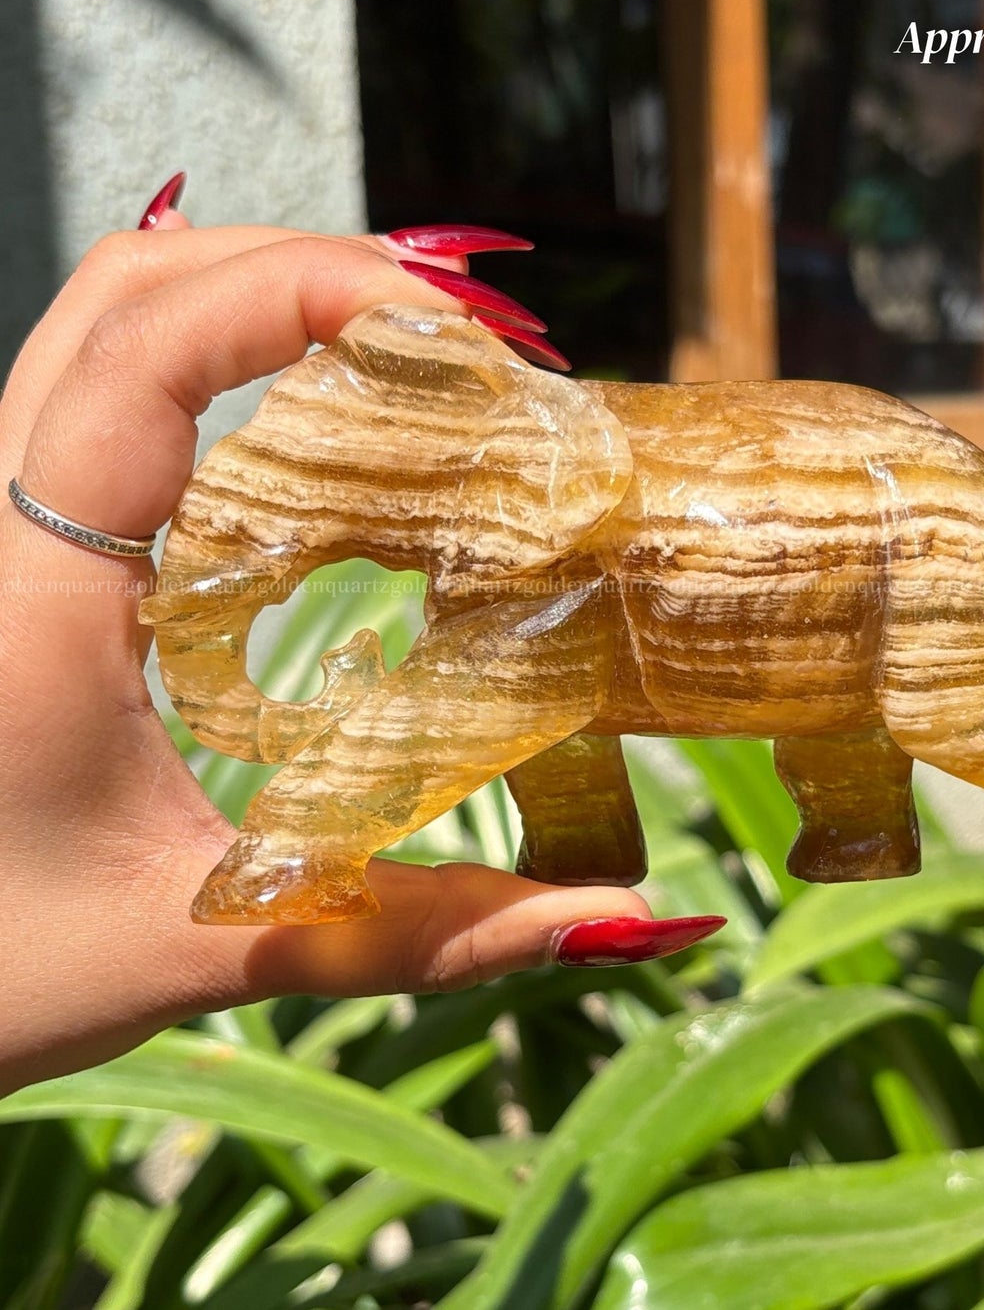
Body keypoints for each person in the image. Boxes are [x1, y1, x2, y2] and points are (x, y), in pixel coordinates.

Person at [0, 174, 723, 1096]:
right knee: (568, 764)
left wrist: (300, 839)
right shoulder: (505, 558)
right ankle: (588, 836)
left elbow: (365, 790)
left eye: (340, 471)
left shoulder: (536, 557)